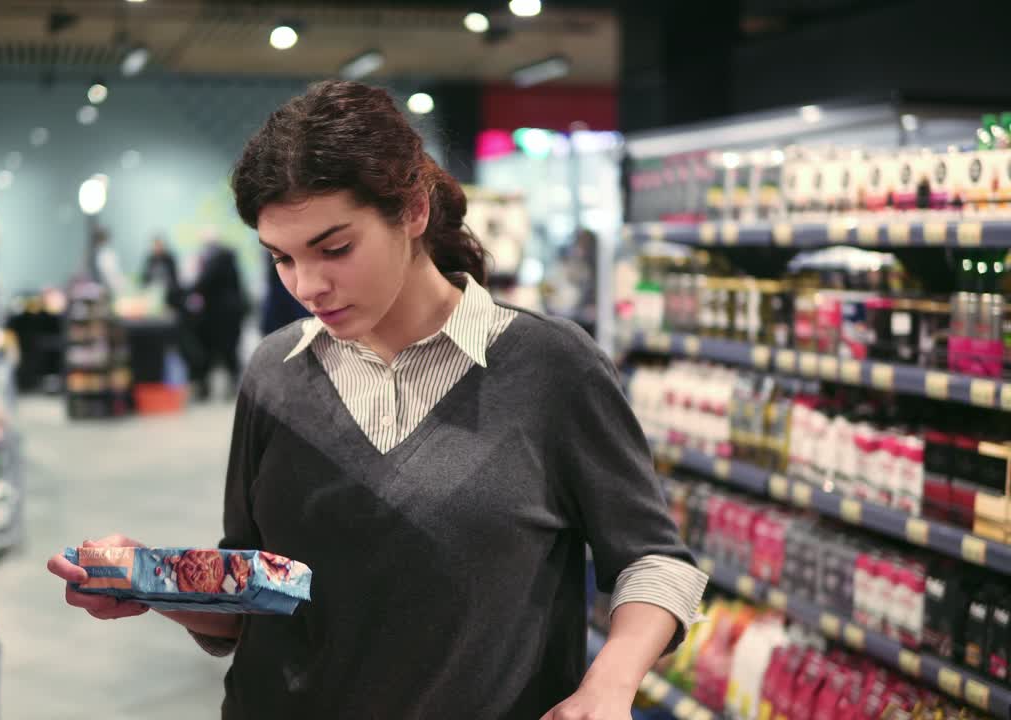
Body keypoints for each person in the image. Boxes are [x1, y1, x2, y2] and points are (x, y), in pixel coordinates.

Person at [48, 80, 707, 720]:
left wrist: (610, 684)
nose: (308, 285)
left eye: (335, 249)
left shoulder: (549, 366)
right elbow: (260, 586)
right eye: (281, 258)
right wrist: (153, 579)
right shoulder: (275, 372)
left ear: (413, 211)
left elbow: (655, 562)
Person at [185, 230, 247, 400]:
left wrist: (185, 290)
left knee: (225, 351)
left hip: (222, 314)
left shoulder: (219, 258)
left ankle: (231, 386)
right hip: (226, 313)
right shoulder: (227, 257)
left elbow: (204, 282)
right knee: (227, 351)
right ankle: (231, 385)